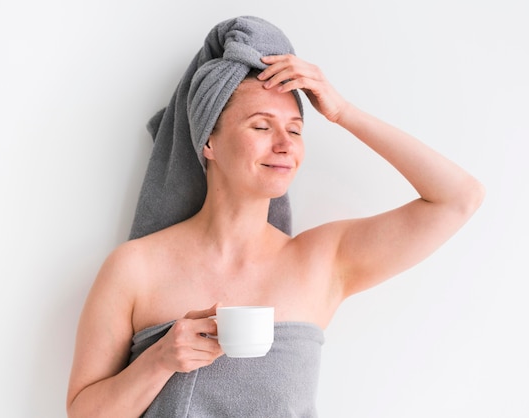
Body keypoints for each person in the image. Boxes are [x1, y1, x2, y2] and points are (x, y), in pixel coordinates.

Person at [66, 16, 484, 418]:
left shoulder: (323, 260)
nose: (285, 144)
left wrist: (342, 112)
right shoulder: (134, 267)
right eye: (262, 127)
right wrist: (159, 360)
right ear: (208, 140)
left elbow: (459, 198)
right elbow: (82, 412)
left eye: (296, 130)